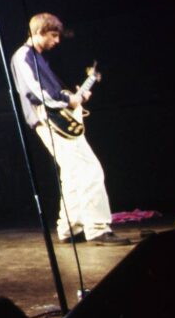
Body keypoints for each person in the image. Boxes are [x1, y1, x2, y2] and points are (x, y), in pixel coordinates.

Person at [10, 13, 128, 246]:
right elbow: (34, 92)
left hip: (53, 117)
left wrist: (73, 96)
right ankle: (97, 228)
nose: (57, 41)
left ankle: (70, 228)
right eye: (53, 35)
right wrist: (67, 102)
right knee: (90, 169)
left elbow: (52, 91)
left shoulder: (39, 58)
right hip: (48, 120)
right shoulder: (23, 55)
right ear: (39, 32)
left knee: (73, 173)